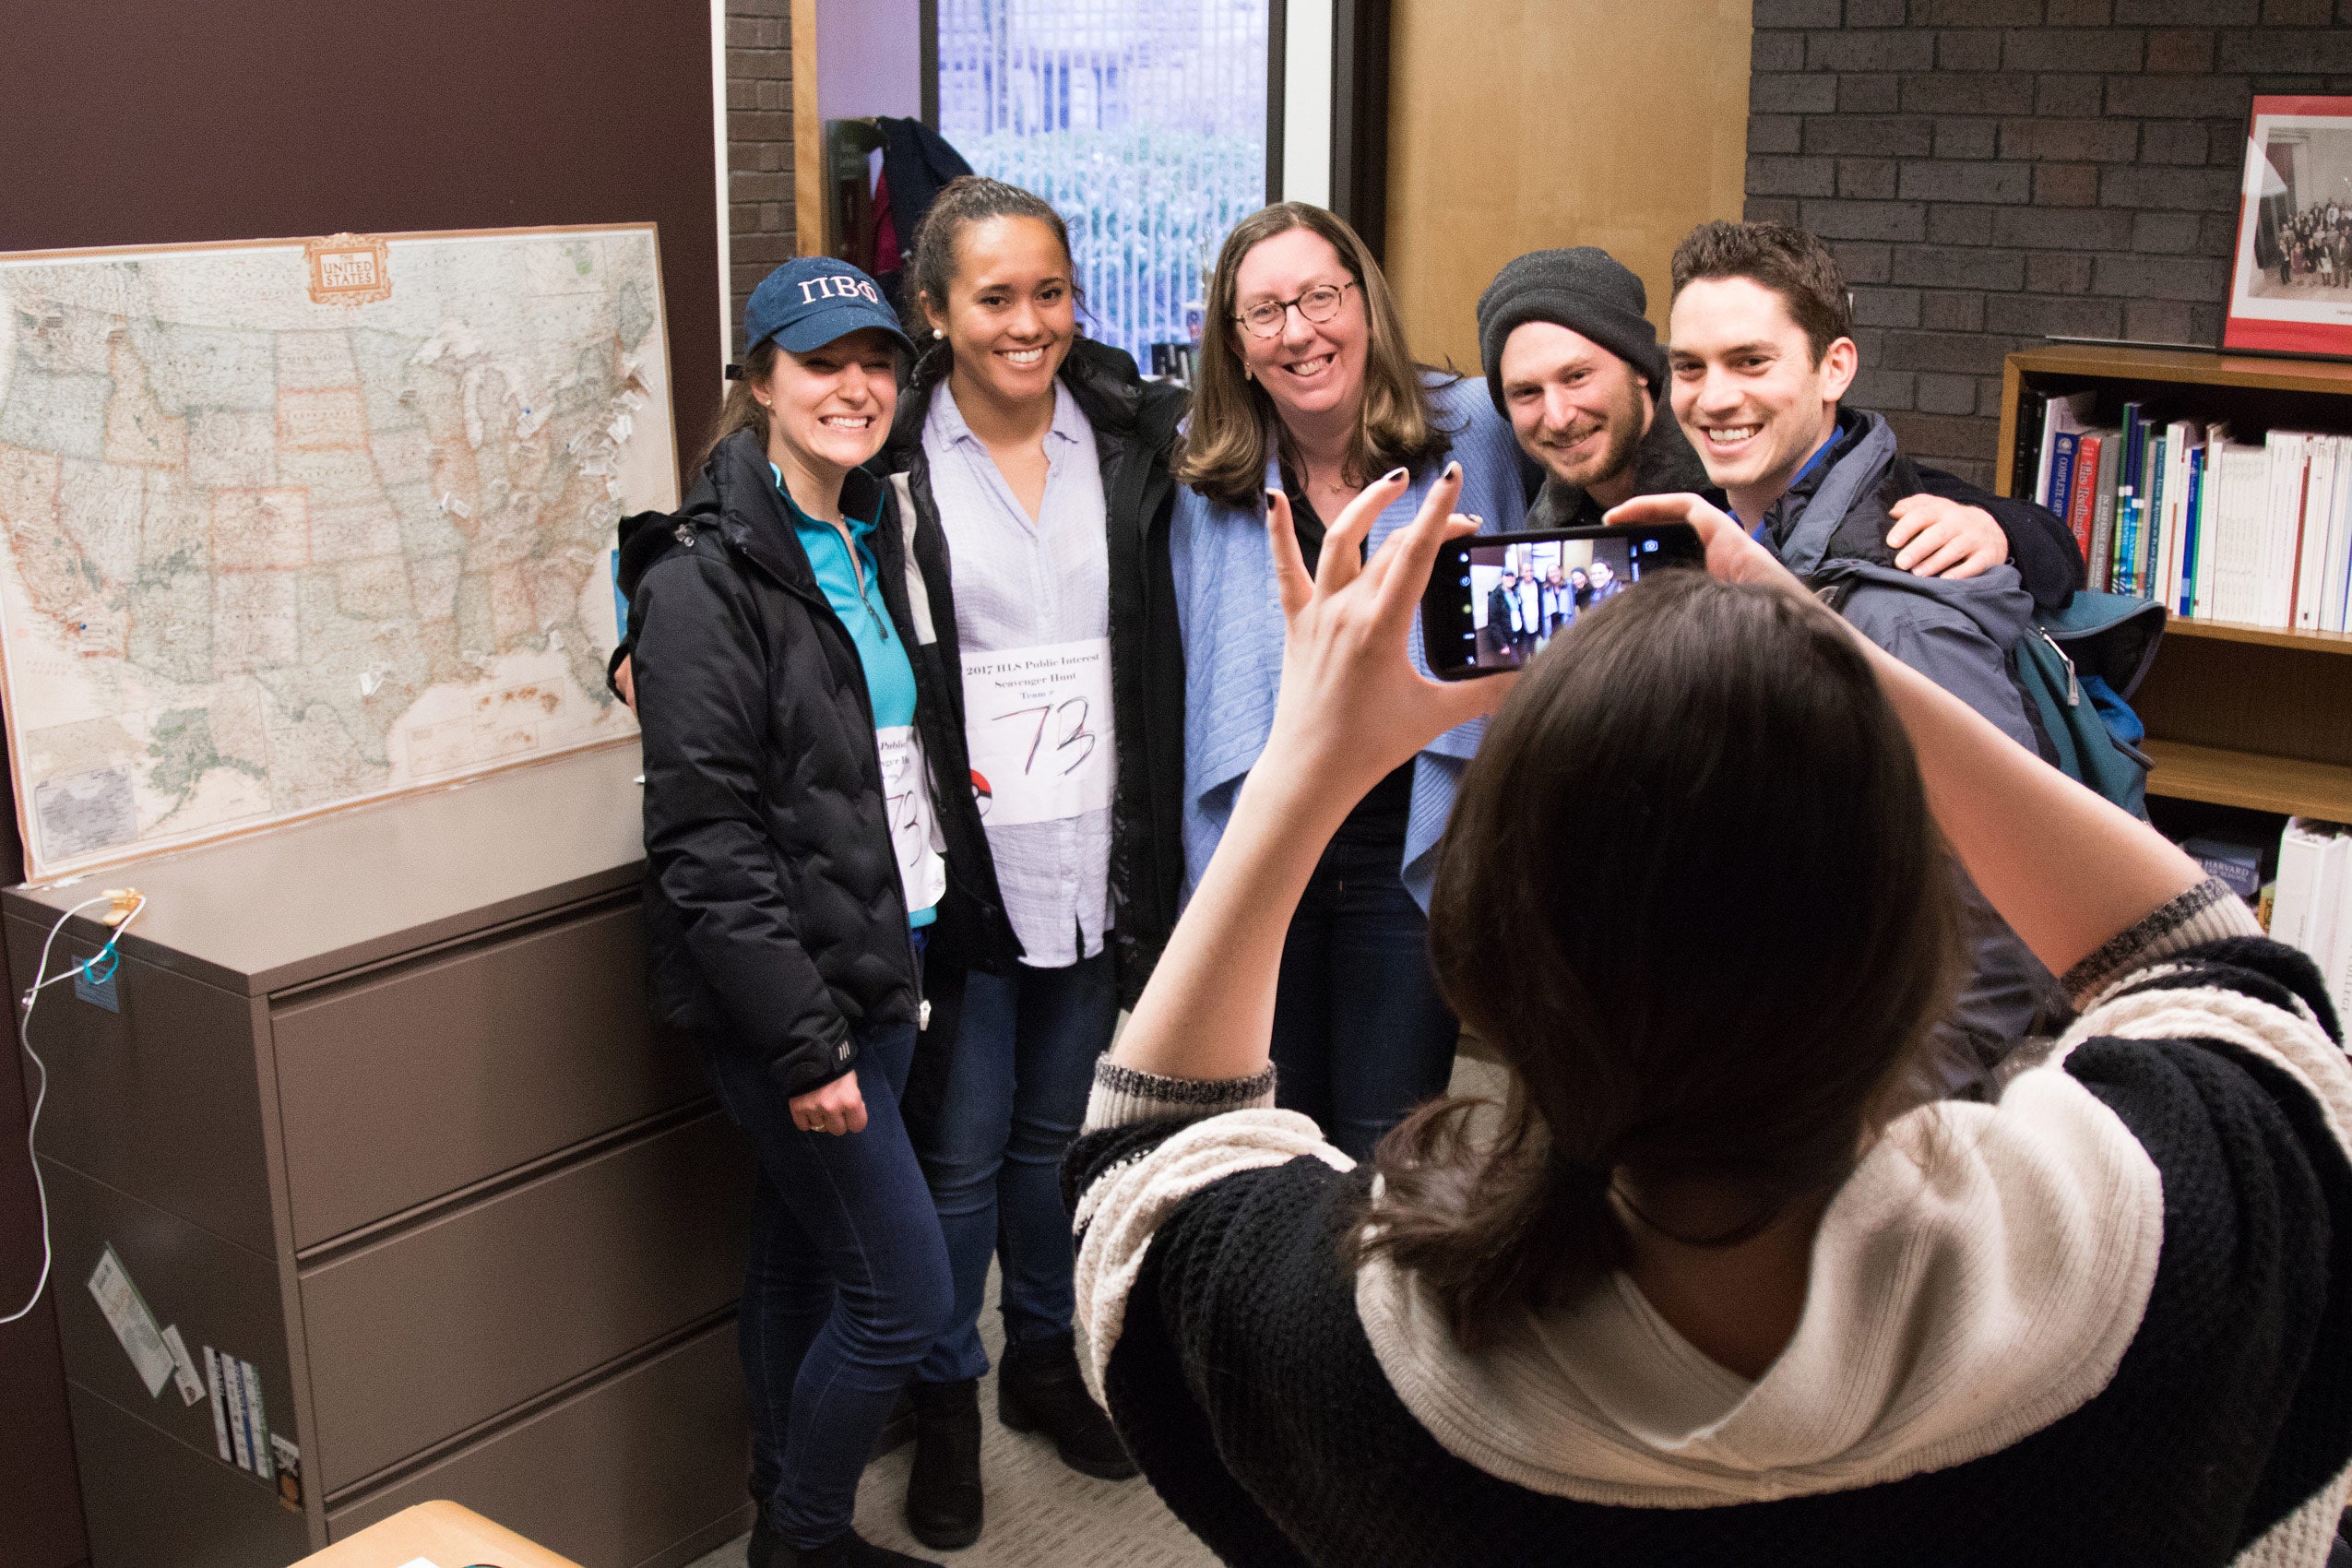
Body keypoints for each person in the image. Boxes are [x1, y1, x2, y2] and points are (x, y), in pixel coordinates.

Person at [1060, 467, 2352, 1566]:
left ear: (1486, 969)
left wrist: (1307, 762)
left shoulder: (1354, 1363)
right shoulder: (2167, 1249)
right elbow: (2216, 973)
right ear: (1922, 950)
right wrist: (1827, 657)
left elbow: (1143, 1168)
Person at [627, 258, 973, 1568]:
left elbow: (875, 747)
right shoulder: (699, 577)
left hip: (890, 949)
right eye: (822, 363)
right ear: (759, 382)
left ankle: (783, 1514)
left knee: (799, 1257)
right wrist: (805, 1043)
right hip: (797, 996)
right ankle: (810, 1541)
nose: (856, 387)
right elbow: (705, 844)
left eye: (876, 361)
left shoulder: (873, 529)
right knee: (901, 1295)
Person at [883, 175, 1174, 1548]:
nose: (1027, 322)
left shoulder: (1130, 438)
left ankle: (1045, 1362)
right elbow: (740, 506)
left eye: (1049, 292)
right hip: (962, 869)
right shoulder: (889, 456)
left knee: (1059, 1142)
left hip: (1095, 854)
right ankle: (947, 1390)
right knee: (957, 1153)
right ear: (935, 311)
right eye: (994, 297)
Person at [1666, 220, 2067, 1080]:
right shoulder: (1733, 538)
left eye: (1751, 361)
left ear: (1834, 368)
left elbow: (2005, 914)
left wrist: (1885, 1117)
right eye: (1689, 368)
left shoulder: (1898, 615)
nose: (1713, 397)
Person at [1170, 201, 1525, 1161]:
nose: (1299, 332)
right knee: (1264, 1135)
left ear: (1365, 303)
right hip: (1267, 843)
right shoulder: (1208, 469)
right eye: (1265, 312)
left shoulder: (1478, 430)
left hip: (1403, 849)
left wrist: (1926, 509)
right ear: (1237, 345)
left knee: (1386, 1145)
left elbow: (1618, 453)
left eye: (1321, 297)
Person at [1475, 246, 2083, 613]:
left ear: (1643, 373)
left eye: (1578, 376)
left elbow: (2050, 545)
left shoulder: (1745, 465)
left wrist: (1997, 530)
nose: (1558, 415)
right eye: (1525, 392)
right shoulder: (1537, 511)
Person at [1483, 568, 1521, 665]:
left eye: (1512, 576)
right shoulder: (1495, 597)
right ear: (1501, 578)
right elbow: (1493, 623)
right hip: (1507, 640)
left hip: (1518, 637)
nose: (1510, 578)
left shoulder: (1516, 592)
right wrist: (1503, 644)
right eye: (1507, 576)